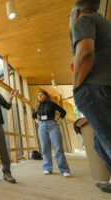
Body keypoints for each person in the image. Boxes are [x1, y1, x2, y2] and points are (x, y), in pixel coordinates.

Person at [69, 0, 111, 193]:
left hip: (94, 87)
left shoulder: (83, 20)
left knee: (107, 141)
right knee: (99, 142)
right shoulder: (106, 25)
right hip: (105, 88)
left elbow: (85, 53)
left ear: (76, 12)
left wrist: (77, 86)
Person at [32, 90, 71, 177]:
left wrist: (59, 119)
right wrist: (37, 121)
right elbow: (33, 115)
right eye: (38, 95)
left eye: (41, 95)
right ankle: (47, 168)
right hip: (42, 126)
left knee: (58, 148)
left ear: (46, 95)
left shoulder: (52, 104)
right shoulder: (37, 106)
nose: (39, 96)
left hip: (53, 125)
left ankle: (64, 170)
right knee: (45, 148)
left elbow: (63, 112)